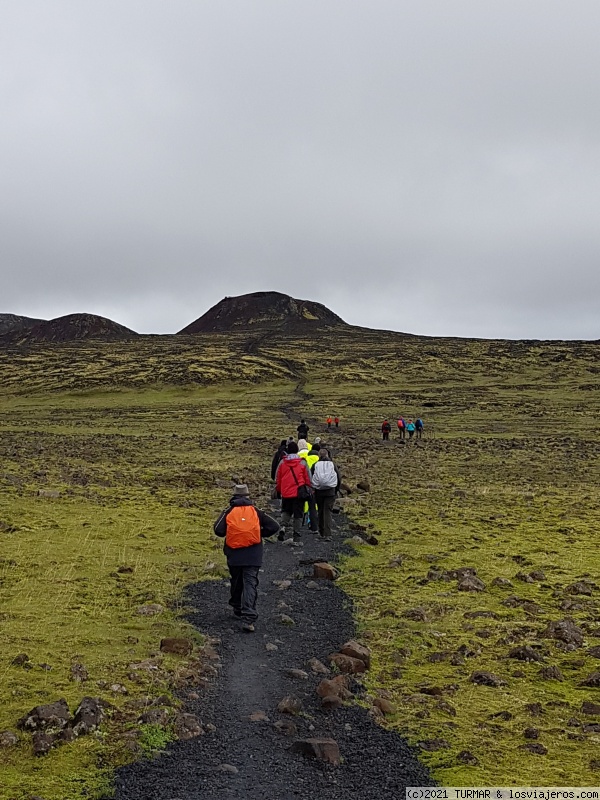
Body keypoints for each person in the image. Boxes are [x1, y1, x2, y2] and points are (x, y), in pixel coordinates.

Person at [213, 484, 279, 632]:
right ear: (248, 496)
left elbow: (218, 530)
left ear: (234, 497)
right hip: (253, 553)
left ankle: (237, 606)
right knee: (250, 583)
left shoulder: (229, 511)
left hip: (234, 554)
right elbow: (275, 526)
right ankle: (248, 617)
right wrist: (259, 534)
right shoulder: (256, 511)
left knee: (236, 580)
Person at [275, 441, 313, 539]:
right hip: (299, 492)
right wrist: (310, 488)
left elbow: (278, 478)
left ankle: (283, 527)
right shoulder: (302, 462)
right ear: (297, 450)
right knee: (298, 514)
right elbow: (308, 478)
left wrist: (279, 490)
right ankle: (296, 534)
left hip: (286, 492)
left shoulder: (282, 463)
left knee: (286, 511)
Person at [311, 449, 340, 538]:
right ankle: (328, 534)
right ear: (327, 455)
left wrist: (313, 489)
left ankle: (321, 532)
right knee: (328, 512)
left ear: (319, 456)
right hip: (330, 491)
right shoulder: (332, 464)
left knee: (320, 510)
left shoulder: (315, 465)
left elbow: (310, 476)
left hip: (319, 491)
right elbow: (338, 477)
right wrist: (336, 490)